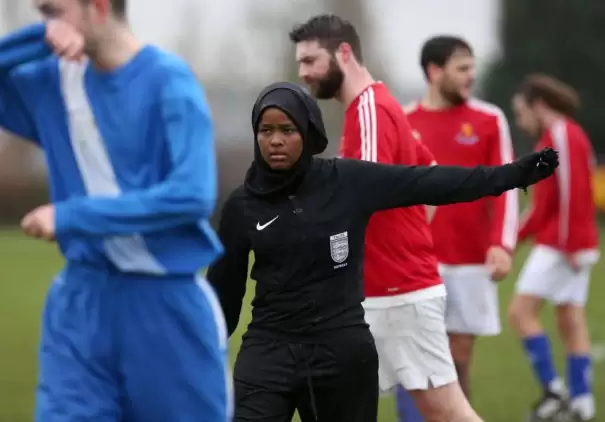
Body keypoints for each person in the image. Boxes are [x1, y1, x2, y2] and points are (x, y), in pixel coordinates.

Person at [207, 80, 558, 422]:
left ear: (309, 131)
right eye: (266, 131)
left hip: (340, 352)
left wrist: (514, 174)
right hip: (269, 351)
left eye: (287, 129)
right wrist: (202, 355)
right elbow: (225, 296)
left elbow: (430, 183)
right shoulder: (242, 206)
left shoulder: (347, 181)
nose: (276, 141)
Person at [0, 1, 229, 421]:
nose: (48, 27)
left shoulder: (168, 80)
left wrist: (72, 216)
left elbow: (191, 195)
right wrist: (36, 40)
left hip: (164, 305)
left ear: (100, 8)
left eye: (54, 13)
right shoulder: (54, 82)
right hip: (79, 305)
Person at [289, 15, 472, 422]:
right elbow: (430, 178)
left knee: (446, 412)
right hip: (382, 292)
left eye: (310, 60)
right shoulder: (376, 108)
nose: (302, 73)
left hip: (397, 295)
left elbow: (360, 196)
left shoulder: (369, 109)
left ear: (344, 53)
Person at [404, 35, 518, 403]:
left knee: (457, 357)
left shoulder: (488, 119)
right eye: (462, 68)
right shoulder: (404, 121)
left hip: (471, 260)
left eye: (473, 67)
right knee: (411, 355)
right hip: (416, 260)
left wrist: (501, 244)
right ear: (434, 71)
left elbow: (507, 186)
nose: (471, 75)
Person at [508, 74, 599, 422]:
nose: (520, 119)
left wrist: (570, 245)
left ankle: (554, 390)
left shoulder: (560, 134)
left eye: (521, 111)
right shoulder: (555, 136)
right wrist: (512, 240)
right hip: (572, 242)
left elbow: (575, 193)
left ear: (538, 105)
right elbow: (544, 206)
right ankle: (582, 403)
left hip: (563, 245)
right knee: (569, 319)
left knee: (520, 312)